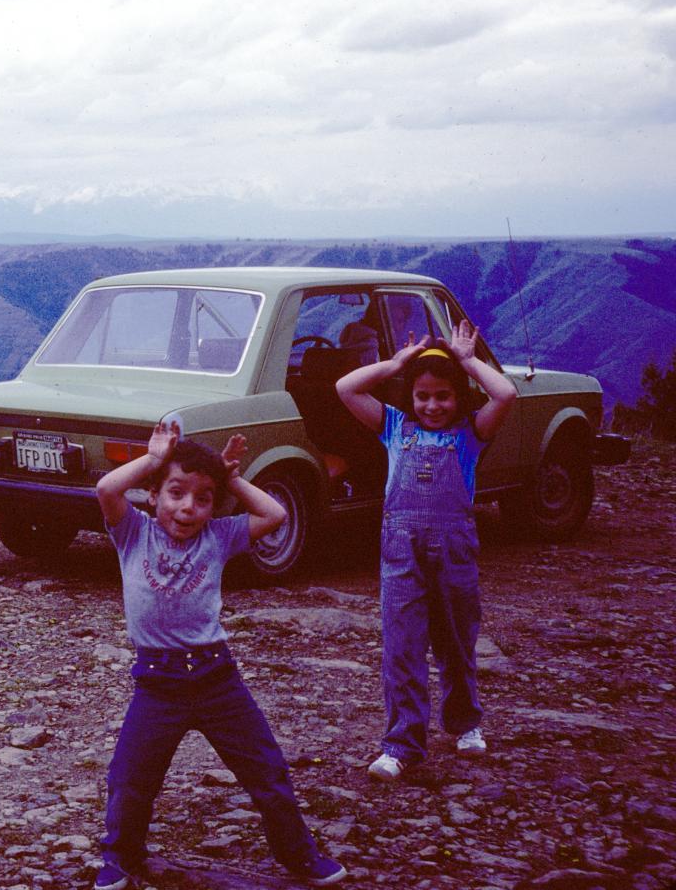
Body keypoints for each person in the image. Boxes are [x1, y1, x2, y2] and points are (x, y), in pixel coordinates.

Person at [93, 420, 346, 888]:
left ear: (214, 506)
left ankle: (300, 855)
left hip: (217, 679)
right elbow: (107, 488)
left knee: (266, 768)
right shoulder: (132, 532)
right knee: (131, 777)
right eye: (175, 493)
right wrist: (154, 460)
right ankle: (121, 856)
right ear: (153, 495)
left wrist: (231, 479)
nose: (187, 507)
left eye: (203, 498)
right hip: (157, 685)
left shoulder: (219, 536)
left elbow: (275, 514)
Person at [335, 320, 517, 782]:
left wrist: (467, 361)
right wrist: (396, 363)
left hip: (454, 550)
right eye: (422, 396)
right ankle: (401, 744)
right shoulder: (394, 426)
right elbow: (345, 387)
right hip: (401, 552)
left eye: (443, 396)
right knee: (402, 647)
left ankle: (465, 723)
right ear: (410, 397)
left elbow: (506, 394)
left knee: (456, 640)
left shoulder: (471, 433)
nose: (432, 405)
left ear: (459, 396)